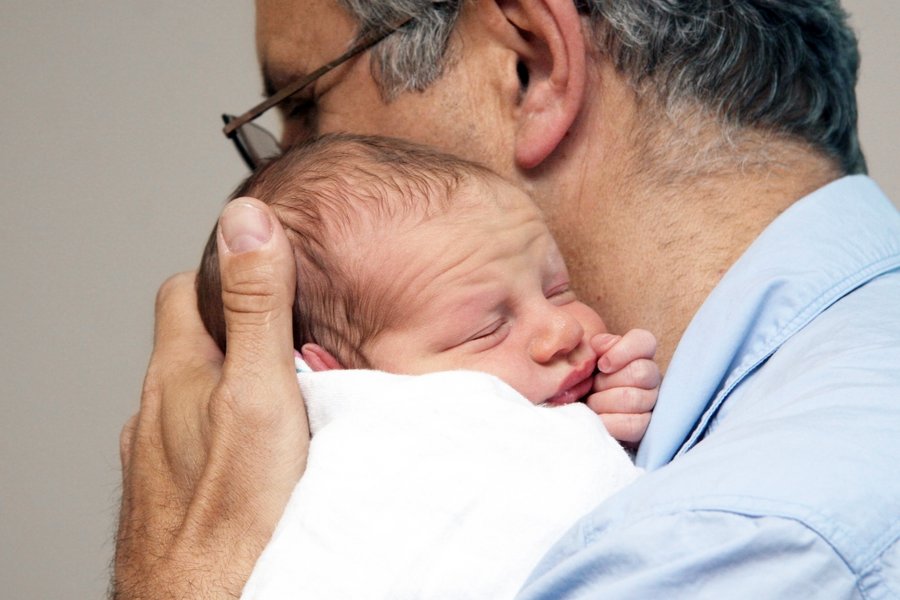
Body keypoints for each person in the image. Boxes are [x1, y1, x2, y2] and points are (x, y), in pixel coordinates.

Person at [114, 1, 900, 598]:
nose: (291, 164)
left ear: (528, 66)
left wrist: (188, 572)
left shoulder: (711, 547)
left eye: (304, 105)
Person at [194, 133, 656, 598]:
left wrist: (610, 410)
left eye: (557, 289)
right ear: (338, 379)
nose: (562, 330)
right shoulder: (362, 491)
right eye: (486, 330)